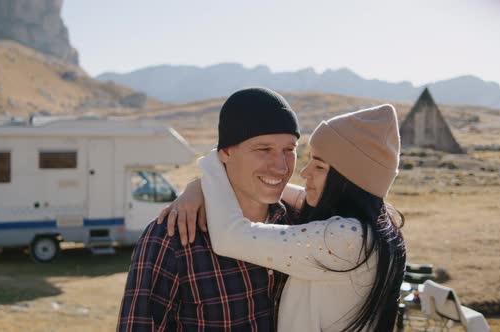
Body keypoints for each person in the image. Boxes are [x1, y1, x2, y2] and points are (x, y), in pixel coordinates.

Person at [159, 104, 407, 331]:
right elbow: (278, 190)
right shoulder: (373, 229)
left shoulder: (345, 239)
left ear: (349, 183)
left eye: (319, 167)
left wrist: (216, 161)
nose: (304, 172)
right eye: (309, 159)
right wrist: (201, 185)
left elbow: (230, 237)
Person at [117, 87, 302, 331]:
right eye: (263, 149)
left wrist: (200, 185)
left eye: (289, 150)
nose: (280, 166)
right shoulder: (172, 236)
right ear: (225, 152)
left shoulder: (299, 223)